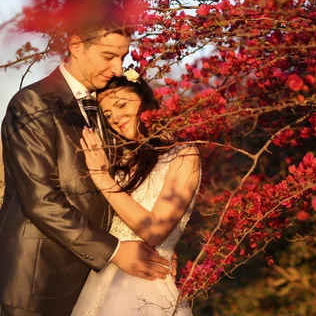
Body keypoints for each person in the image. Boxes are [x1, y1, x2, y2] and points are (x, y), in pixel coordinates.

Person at [0, 26, 171, 316]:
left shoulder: (105, 104)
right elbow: (40, 200)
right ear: (76, 45)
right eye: (108, 56)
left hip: (93, 283)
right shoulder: (33, 103)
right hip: (37, 282)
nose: (117, 68)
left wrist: (158, 254)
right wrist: (116, 251)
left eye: (122, 57)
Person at [71, 72, 201, 316]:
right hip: (101, 277)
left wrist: (102, 178)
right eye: (107, 115)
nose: (115, 118)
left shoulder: (183, 154)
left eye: (121, 105)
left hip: (146, 286)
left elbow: (155, 231)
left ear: (145, 99)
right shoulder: (120, 158)